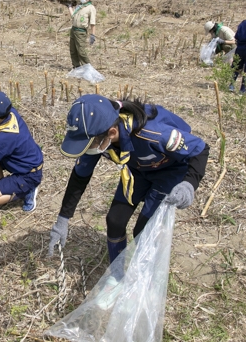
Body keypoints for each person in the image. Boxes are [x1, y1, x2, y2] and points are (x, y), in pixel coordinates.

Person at [47, 94, 209, 306]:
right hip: (138, 169)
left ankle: (144, 280)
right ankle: (116, 277)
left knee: (144, 230)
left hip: (170, 171)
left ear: (112, 133)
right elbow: (80, 176)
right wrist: (63, 218)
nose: (87, 150)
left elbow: (200, 149)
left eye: (88, 144)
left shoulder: (155, 134)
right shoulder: (97, 137)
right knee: (115, 220)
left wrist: (189, 184)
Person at [68, 0, 97, 69]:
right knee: (73, 50)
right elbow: (73, 16)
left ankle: (88, 68)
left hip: (81, 32)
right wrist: (69, 6)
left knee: (81, 51)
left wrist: (92, 35)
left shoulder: (90, 8)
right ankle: (76, 67)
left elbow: (92, 23)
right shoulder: (79, 6)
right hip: (73, 30)